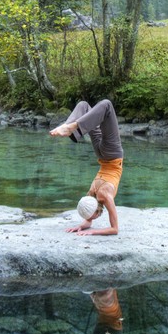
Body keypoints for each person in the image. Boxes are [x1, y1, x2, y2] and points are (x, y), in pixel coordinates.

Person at [49, 99, 123, 236]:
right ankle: (71, 128)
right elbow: (113, 229)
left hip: (111, 154)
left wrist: (83, 228)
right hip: (103, 154)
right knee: (89, 105)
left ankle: (70, 127)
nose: (92, 219)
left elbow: (111, 228)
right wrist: (91, 231)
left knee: (101, 105)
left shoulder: (99, 197)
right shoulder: (93, 193)